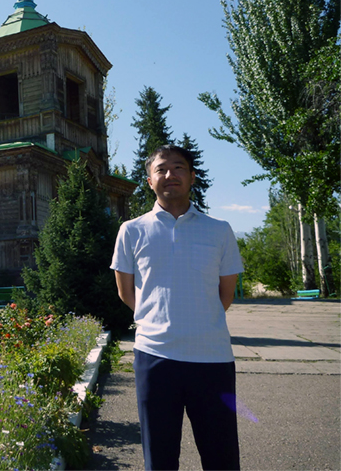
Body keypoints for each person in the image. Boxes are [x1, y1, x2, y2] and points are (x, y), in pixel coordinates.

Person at [110, 144, 243, 471]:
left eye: (179, 168)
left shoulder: (219, 230)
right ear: (149, 181)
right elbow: (126, 292)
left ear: (192, 177)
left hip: (212, 360)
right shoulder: (131, 230)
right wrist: (157, 319)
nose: (170, 175)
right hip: (154, 358)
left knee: (222, 457)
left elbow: (226, 294)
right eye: (161, 169)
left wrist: (198, 320)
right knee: (160, 458)